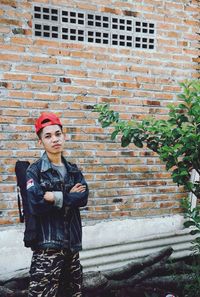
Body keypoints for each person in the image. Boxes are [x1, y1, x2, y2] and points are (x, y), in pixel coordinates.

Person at [26, 112, 89, 297]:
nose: (55, 139)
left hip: (72, 246)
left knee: (72, 293)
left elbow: (83, 198)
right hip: (47, 248)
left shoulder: (73, 170)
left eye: (58, 134)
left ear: (64, 136)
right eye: (48, 136)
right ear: (40, 142)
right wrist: (69, 197)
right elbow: (36, 204)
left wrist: (54, 197)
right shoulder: (35, 171)